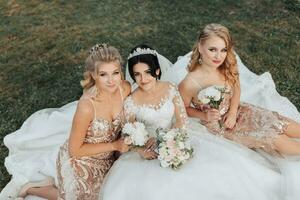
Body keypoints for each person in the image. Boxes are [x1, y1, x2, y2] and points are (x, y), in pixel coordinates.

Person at [100, 44, 281, 200]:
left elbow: (181, 118)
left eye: (147, 72)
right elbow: (128, 132)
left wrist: (173, 141)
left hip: (177, 137)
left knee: (212, 174)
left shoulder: (170, 89)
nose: (143, 79)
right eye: (137, 74)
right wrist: (140, 150)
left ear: (156, 70)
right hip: (148, 148)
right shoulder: (132, 101)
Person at [16, 43, 131, 200]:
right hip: (81, 161)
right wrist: (114, 145)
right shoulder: (87, 105)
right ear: (93, 75)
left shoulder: (124, 89)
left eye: (115, 73)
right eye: (104, 74)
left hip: (109, 158)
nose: (111, 81)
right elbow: (75, 150)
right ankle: (34, 188)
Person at [179, 23, 300, 156]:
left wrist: (232, 112)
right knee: (274, 138)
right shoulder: (189, 83)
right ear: (200, 47)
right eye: (212, 49)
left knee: (277, 121)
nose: (218, 56)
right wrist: (204, 115)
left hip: (238, 110)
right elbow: (182, 108)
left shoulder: (226, 66)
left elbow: (236, 87)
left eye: (223, 50)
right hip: (222, 125)